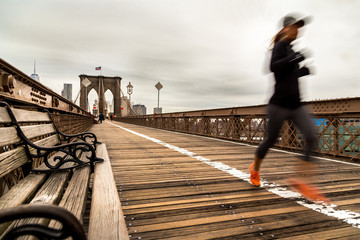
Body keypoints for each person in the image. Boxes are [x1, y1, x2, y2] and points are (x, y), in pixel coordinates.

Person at [249, 13, 329, 203]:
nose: (298, 30)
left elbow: (288, 75)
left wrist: (302, 71)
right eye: (294, 26)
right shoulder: (280, 46)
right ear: (285, 29)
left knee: (311, 138)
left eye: (299, 27)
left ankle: (303, 182)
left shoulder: (292, 50)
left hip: (296, 104)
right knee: (270, 140)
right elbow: (274, 67)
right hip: (278, 105)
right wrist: (295, 60)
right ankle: (255, 168)